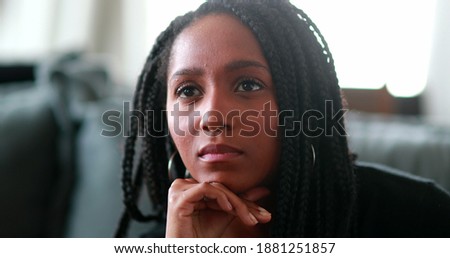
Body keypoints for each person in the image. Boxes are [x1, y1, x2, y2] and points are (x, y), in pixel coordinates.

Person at [115, 0, 450, 237]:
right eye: (188, 91)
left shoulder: (418, 219)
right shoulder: (158, 241)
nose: (212, 116)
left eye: (248, 84)